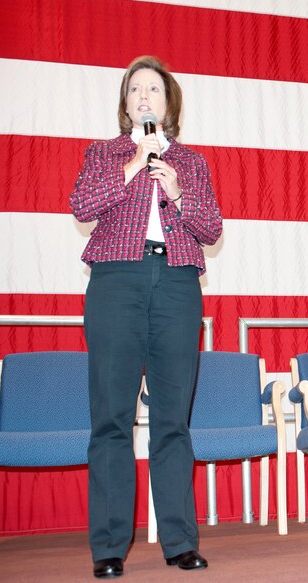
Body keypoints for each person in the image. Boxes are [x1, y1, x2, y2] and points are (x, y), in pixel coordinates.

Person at [71, 56, 223, 578]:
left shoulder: (193, 163)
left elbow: (211, 229)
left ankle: (180, 542)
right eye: (135, 89)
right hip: (117, 283)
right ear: (125, 103)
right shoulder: (104, 154)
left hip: (178, 285)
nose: (143, 96)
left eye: (153, 90)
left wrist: (177, 190)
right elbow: (82, 206)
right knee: (111, 416)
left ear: (168, 103)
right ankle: (109, 548)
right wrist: (133, 165)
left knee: (172, 421)